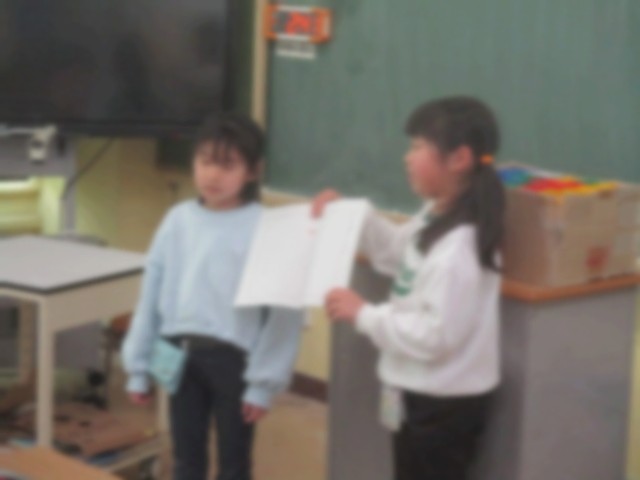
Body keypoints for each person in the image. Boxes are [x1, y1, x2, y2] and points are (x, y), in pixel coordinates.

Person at [313, 96, 505, 480]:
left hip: (442, 406)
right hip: (420, 394)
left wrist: (365, 315)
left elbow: (435, 336)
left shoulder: (459, 248)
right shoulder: (438, 214)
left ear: (459, 159)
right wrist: (354, 216)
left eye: (418, 147)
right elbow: (396, 252)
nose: (407, 158)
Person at [123, 113, 303, 480]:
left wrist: (262, 384)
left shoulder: (266, 226)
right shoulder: (177, 220)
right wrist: (138, 368)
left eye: (227, 165)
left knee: (234, 463)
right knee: (186, 459)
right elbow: (150, 297)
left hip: (235, 362)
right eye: (205, 161)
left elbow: (284, 314)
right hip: (179, 354)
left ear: (253, 170)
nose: (212, 175)